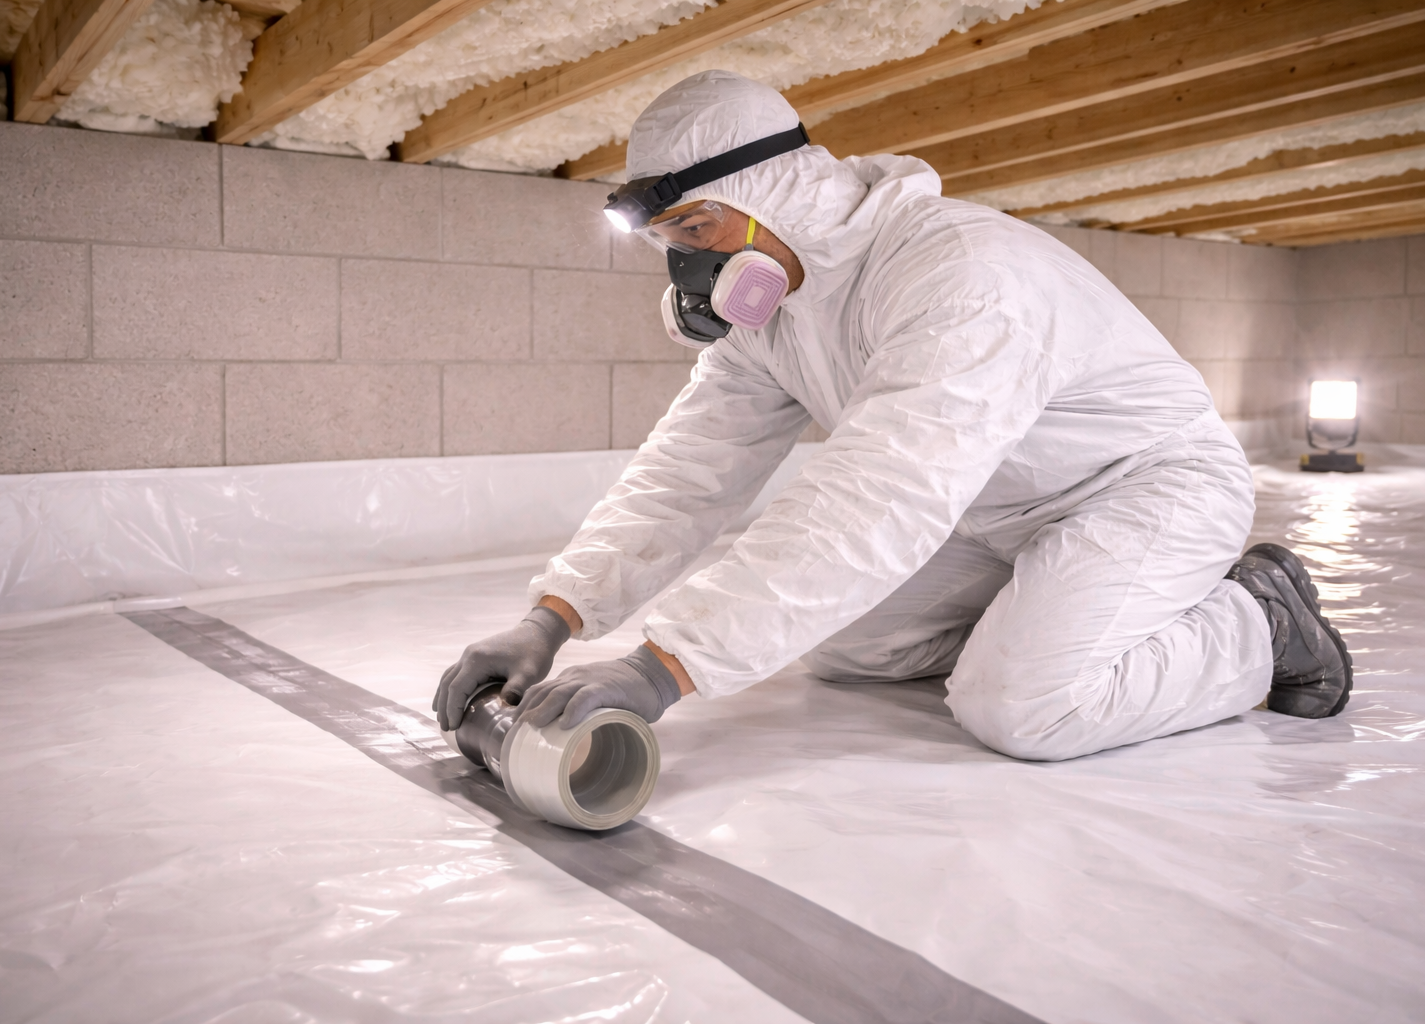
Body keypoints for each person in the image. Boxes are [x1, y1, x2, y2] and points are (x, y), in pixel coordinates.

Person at [433, 70, 1352, 762]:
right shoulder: (780, 315)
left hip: (1143, 488)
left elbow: (883, 492)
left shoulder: (957, 274)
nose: (688, 273)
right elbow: (691, 468)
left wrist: (659, 670)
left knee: (1025, 708)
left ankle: (1261, 623)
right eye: (670, 244)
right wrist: (552, 621)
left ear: (771, 195)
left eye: (698, 232)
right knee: (843, 640)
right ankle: (1052, 608)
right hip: (998, 513)